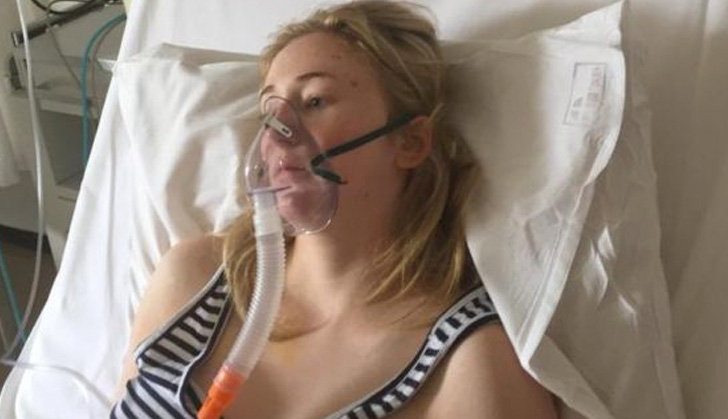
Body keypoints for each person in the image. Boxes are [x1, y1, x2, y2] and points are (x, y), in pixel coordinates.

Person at [112, 1, 559, 418]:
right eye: (269, 112)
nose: (277, 135)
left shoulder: (472, 365)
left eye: (314, 101)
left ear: (410, 141)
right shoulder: (194, 277)